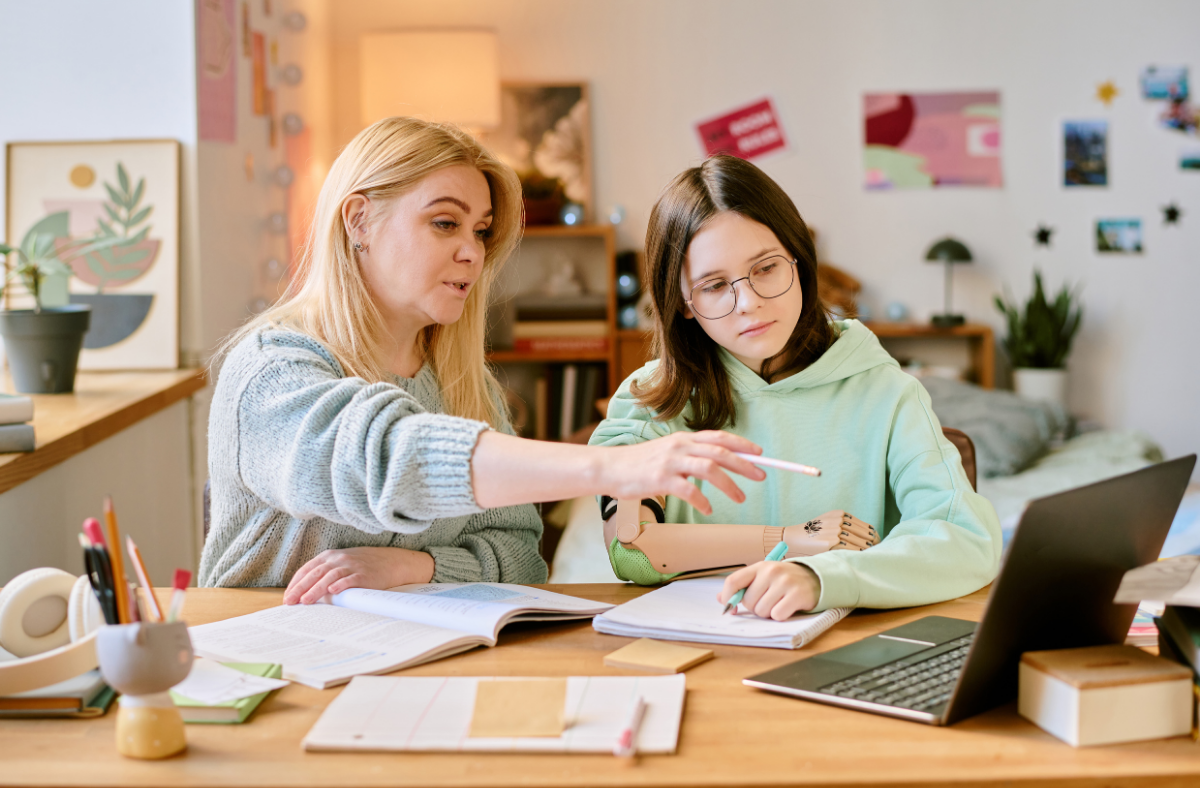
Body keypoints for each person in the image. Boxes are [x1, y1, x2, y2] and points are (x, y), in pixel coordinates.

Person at [198, 118, 764, 601]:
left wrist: (414, 568)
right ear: (359, 221)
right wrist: (611, 467)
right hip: (272, 665)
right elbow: (385, 461)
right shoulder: (273, 368)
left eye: (482, 230)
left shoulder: (465, 384)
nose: (472, 251)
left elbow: (521, 556)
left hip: (406, 658)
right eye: (445, 223)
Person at [590, 154, 1002, 620]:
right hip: (687, 651)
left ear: (799, 261)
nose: (748, 302)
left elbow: (966, 539)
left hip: (846, 655)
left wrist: (823, 577)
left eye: (765, 268)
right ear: (683, 303)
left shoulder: (886, 391)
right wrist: (792, 539)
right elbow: (633, 552)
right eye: (714, 285)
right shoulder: (647, 401)